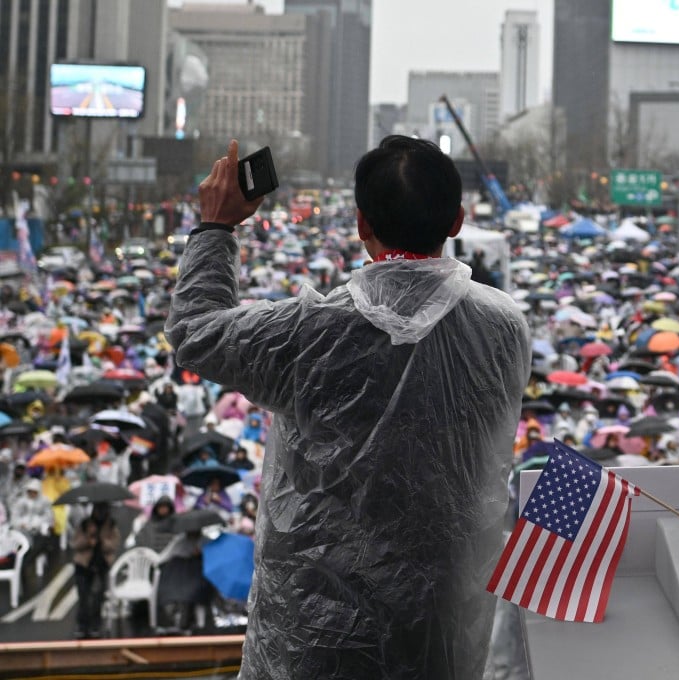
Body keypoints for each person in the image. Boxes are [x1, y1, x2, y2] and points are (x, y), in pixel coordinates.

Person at [166, 136, 530, 678]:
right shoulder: (504, 329)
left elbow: (194, 332)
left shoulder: (306, 334)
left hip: (313, 640)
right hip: (441, 633)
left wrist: (216, 229)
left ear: (362, 225)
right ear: (456, 221)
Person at [71, 501, 121, 638]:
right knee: (84, 596)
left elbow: (114, 545)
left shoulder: (111, 525)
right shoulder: (84, 524)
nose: (100, 513)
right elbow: (75, 543)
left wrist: (102, 541)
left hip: (102, 565)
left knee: (98, 597)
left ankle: (95, 625)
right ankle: (82, 625)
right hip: (84, 565)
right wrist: (88, 540)